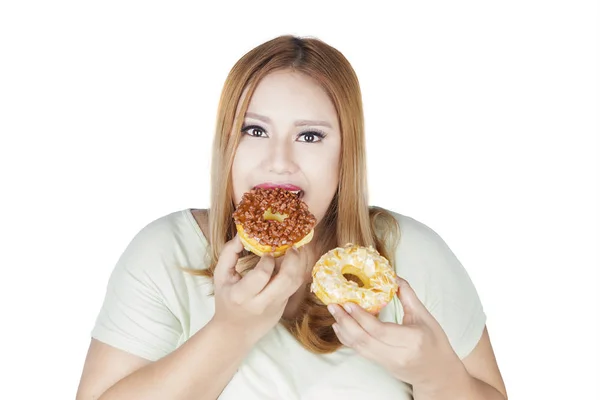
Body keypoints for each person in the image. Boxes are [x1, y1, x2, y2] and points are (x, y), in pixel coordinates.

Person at [76, 35, 507, 399]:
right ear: (228, 144)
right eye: (255, 130)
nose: (279, 161)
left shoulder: (411, 254)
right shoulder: (163, 253)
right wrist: (231, 331)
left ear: (346, 154)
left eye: (310, 135)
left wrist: (436, 374)